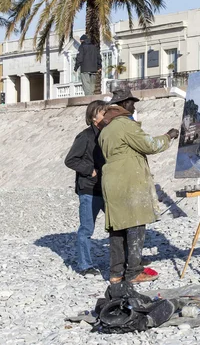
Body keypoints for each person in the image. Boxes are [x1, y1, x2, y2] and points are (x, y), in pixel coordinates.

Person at [98, 88, 179, 284]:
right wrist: (169, 136)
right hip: (128, 180)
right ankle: (134, 271)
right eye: (132, 103)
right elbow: (150, 145)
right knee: (135, 223)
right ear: (125, 104)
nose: (134, 107)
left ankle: (116, 273)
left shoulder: (105, 129)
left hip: (111, 180)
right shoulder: (125, 125)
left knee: (117, 227)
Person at [64, 100, 108, 276]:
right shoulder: (85, 136)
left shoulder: (108, 134)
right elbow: (70, 160)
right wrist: (90, 171)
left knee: (119, 226)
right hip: (89, 190)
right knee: (87, 229)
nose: (106, 115)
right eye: (103, 112)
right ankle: (84, 266)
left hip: (107, 188)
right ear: (93, 116)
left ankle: (126, 261)